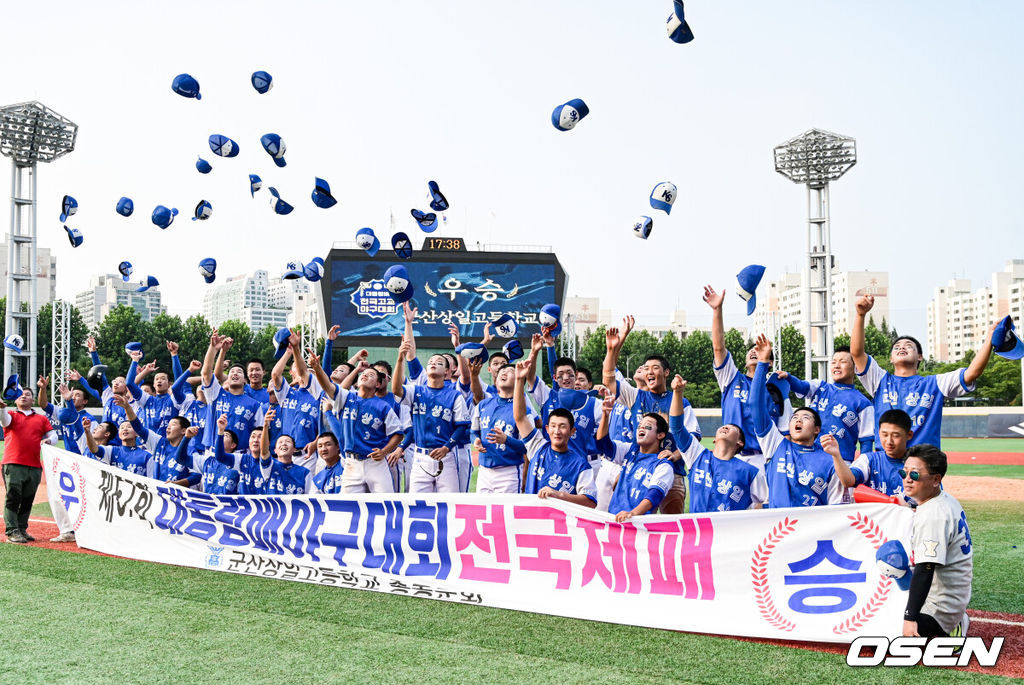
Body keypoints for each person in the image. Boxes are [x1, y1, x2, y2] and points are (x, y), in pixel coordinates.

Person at [851, 294, 994, 448]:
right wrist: (861, 314)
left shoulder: (935, 383)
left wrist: (990, 339)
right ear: (891, 358)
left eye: (908, 345)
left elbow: (972, 373)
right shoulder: (879, 380)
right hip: (886, 460)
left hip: (923, 462)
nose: (902, 347)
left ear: (920, 357)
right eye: (897, 347)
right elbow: (857, 353)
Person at [601, 317, 701, 514]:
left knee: (672, 525)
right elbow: (608, 378)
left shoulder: (679, 400)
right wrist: (613, 348)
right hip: (638, 470)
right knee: (636, 522)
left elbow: (694, 437)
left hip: (673, 471)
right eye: (646, 368)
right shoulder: (636, 396)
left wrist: (674, 455)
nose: (649, 372)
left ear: (666, 372)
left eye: (655, 368)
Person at [749, 335, 846, 508]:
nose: (798, 419)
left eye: (805, 417)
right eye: (794, 417)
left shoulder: (830, 462)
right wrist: (762, 364)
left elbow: (836, 509)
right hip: (779, 530)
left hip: (811, 532)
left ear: (817, 429)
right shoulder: (775, 445)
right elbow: (755, 404)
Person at [901, 444, 972, 639]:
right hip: (953, 597)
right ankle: (956, 619)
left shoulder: (934, 515)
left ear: (936, 479)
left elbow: (925, 569)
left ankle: (948, 630)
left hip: (940, 608)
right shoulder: (943, 499)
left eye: (914, 475)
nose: (907, 479)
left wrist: (910, 618)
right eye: (904, 472)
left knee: (878, 634)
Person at [668, 375, 767, 512]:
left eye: (733, 428)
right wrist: (677, 393)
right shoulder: (697, 455)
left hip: (730, 531)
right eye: (723, 426)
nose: (726, 427)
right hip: (698, 531)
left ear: (740, 442)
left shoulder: (750, 472)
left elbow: (769, 503)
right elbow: (677, 427)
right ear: (714, 439)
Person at [310, 350, 403, 493]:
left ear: (378, 384)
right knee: (348, 507)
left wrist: (384, 451)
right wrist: (317, 368)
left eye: (371, 375)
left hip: (375, 463)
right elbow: (328, 387)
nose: (365, 375)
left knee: (386, 504)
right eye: (363, 374)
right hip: (351, 463)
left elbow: (398, 433)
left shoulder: (383, 406)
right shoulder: (346, 398)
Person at [512, 360, 596, 508]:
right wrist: (519, 380)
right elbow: (520, 417)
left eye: (562, 427)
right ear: (547, 429)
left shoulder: (581, 465)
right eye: (553, 426)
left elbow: (590, 502)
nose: (557, 431)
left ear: (572, 431)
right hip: (531, 519)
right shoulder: (537, 447)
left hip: (561, 526)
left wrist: (559, 495)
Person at [391, 340, 470, 493]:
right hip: (420, 458)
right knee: (418, 503)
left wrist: (447, 447)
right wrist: (400, 359)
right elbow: (396, 389)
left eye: (439, 362)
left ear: (447, 372)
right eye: (430, 362)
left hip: (445, 457)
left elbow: (461, 426)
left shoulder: (454, 395)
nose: (434, 363)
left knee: (448, 503)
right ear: (426, 370)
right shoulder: (416, 391)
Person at [781, 346, 874, 462]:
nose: (836, 365)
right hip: (809, 458)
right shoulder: (820, 387)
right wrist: (788, 378)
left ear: (855, 367)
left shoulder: (864, 403)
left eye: (843, 362)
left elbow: (866, 441)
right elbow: (801, 386)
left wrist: (865, 468)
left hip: (840, 463)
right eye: (834, 362)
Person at [595, 395, 674, 521]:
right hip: (615, 519)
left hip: (638, 524)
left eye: (647, 426)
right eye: (640, 425)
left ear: (660, 435)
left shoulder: (663, 465)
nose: (641, 427)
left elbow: (654, 496)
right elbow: (603, 445)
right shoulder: (630, 450)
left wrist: (632, 514)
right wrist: (605, 415)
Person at [2, 388, 58, 543]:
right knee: (13, 497)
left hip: (34, 465)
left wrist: (49, 440)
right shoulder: (11, 415)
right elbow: (4, 421)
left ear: (33, 400)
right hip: (13, 463)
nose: (24, 396)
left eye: (28, 394)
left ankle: (21, 528)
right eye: (21, 394)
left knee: (27, 499)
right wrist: (2, 408)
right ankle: (12, 530)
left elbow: (53, 435)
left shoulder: (41, 419)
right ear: (15, 400)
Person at [199, 330, 264, 450]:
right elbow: (206, 373)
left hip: (240, 456)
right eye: (232, 372)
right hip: (213, 452)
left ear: (245, 380)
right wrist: (213, 348)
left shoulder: (254, 405)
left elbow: (259, 432)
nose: (235, 374)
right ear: (227, 379)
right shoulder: (216, 394)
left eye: (239, 372)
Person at [470, 362, 529, 493]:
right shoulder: (483, 405)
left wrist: (506, 440)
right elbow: (473, 432)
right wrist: (476, 440)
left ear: (520, 381)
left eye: (510, 371)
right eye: (502, 371)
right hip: (484, 470)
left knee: (507, 512)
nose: (504, 372)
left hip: (509, 472)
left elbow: (528, 446)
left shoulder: (523, 411)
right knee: (483, 511)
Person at [847, 409, 915, 501]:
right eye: (885, 435)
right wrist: (836, 455)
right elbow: (848, 481)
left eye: (895, 435)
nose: (889, 441)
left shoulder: (920, 464)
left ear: (909, 435)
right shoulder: (869, 460)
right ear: (878, 433)